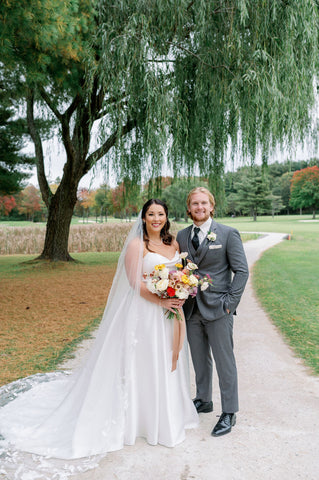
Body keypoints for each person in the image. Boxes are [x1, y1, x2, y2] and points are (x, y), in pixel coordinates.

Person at [0, 199, 198, 478]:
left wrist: (180, 290)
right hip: (145, 313)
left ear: (167, 217)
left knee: (163, 360)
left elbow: (180, 273)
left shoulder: (174, 244)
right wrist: (161, 301)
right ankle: (137, 421)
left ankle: (163, 416)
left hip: (168, 316)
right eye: (151, 214)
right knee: (142, 362)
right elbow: (134, 282)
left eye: (161, 214)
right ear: (143, 218)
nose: (156, 218)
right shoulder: (136, 246)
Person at [176, 187, 249, 437]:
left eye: (204, 203)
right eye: (195, 203)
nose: (199, 207)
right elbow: (180, 270)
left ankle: (229, 411)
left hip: (220, 308)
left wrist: (230, 303)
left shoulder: (228, 234)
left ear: (211, 206)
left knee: (224, 361)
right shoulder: (182, 236)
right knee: (199, 359)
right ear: (189, 208)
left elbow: (242, 271)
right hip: (191, 309)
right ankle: (204, 400)